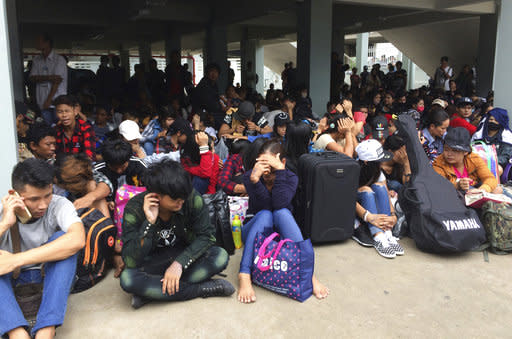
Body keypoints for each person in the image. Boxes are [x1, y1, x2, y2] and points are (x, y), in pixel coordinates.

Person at [119, 160, 234, 309]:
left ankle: (153, 293)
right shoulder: (134, 208)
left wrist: (179, 264)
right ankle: (201, 289)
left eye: (183, 197)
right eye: (174, 199)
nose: (181, 202)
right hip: (153, 261)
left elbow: (207, 236)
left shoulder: (191, 197)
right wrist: (149, 222)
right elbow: (131, 260)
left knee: (220, 257)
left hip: (185, 255)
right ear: (156, 195)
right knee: (128, 279)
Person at [0, 159, 85, 338]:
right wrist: (5, 223)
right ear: (14, 194)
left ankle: (46, 330)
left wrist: (16, 260)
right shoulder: (3, 210)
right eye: (34, 199)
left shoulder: (59, 204)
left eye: (47, 195)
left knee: (65, 240)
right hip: (9, 284)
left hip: (48, 279)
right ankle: (16, 332)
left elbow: (77, 239)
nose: (43, 205)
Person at [237, 140, 329, 303]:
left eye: (269, 163)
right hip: (254, 232)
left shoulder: (290, 177)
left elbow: (278, 204)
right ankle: (244, 274)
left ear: (282, 161)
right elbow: (265, 206)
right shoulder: (251, 176)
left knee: (282, 212)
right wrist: (255, 181)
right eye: (261, 162)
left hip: (279, 236)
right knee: (266, 214)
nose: (265, 169)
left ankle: (308, 273)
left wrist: (280, 171)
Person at [353, 139, 403, 258]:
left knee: (379, 187)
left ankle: (387, 233)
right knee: (367, 191)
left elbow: (384, 192)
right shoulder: (353, 171)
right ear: (366, 161)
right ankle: (378, 236)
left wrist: (393, 216)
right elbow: (348, 200)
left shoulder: (377, 171)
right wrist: (368, 216)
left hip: (373, 208)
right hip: (357, 208)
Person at [433, 127, 500, 194]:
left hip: (474, 191)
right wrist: (457, 185)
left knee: (497, 190)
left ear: (465, 152)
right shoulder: (439, 163)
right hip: (452, 195)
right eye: (446, 149)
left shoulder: (473, 159)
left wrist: (482, 189)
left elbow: (490, 178)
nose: (449, 154)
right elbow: (439, 186)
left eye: (455, 150)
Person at [29, 34, 68, 125]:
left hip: (57, 103)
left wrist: (49, 100)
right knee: (47, 129)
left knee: (60, 129)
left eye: (38, 41)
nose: (36, 43)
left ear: (47, 43)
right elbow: (32, 78)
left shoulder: (59, 59)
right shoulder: (37, 60)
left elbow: (57, 81)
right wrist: (50, 77)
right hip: (42, 102)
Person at [53, 95, 96, 161]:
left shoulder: (86, 128)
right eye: (60, 112)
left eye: (67, 111)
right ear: (56, 114)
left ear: (75, 111)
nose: (64, 115)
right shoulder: (56, 130)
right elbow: (53, 154)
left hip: (82, 167)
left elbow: (89, 156)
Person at [472, 107, 512, 173]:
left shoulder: (506, 137)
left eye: (496, 120)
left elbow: (505, 157)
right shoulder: (478, 135)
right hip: (477, 163)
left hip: (496, 165)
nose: (493, 122)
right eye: (490, 119)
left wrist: (488, 161)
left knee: (498, 169)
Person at [191, 63, 223, 129]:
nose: (213, 74)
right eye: (211, 71)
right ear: (207, 73)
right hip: (201, 114)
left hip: (210, 112)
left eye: (216, 72)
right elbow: (210, 104)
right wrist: (222, 108)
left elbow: (216, 99)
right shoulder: (203, 85)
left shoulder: (214, 84)